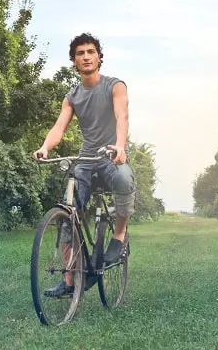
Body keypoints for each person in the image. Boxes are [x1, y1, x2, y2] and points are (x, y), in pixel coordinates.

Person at [33, 33, 137, 298]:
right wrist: (46, 147)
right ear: (74, 62)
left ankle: (120, 235)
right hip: (86, 161)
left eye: (91, 52)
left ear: (99, 57)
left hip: (111, 156)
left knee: (125, 179)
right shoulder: (72, 96)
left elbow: (121, 115)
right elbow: (59, 127)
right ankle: (70, 280)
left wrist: (121, 145)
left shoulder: (115, 86)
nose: (86, 57)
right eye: (80, 53)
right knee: (67, 215)